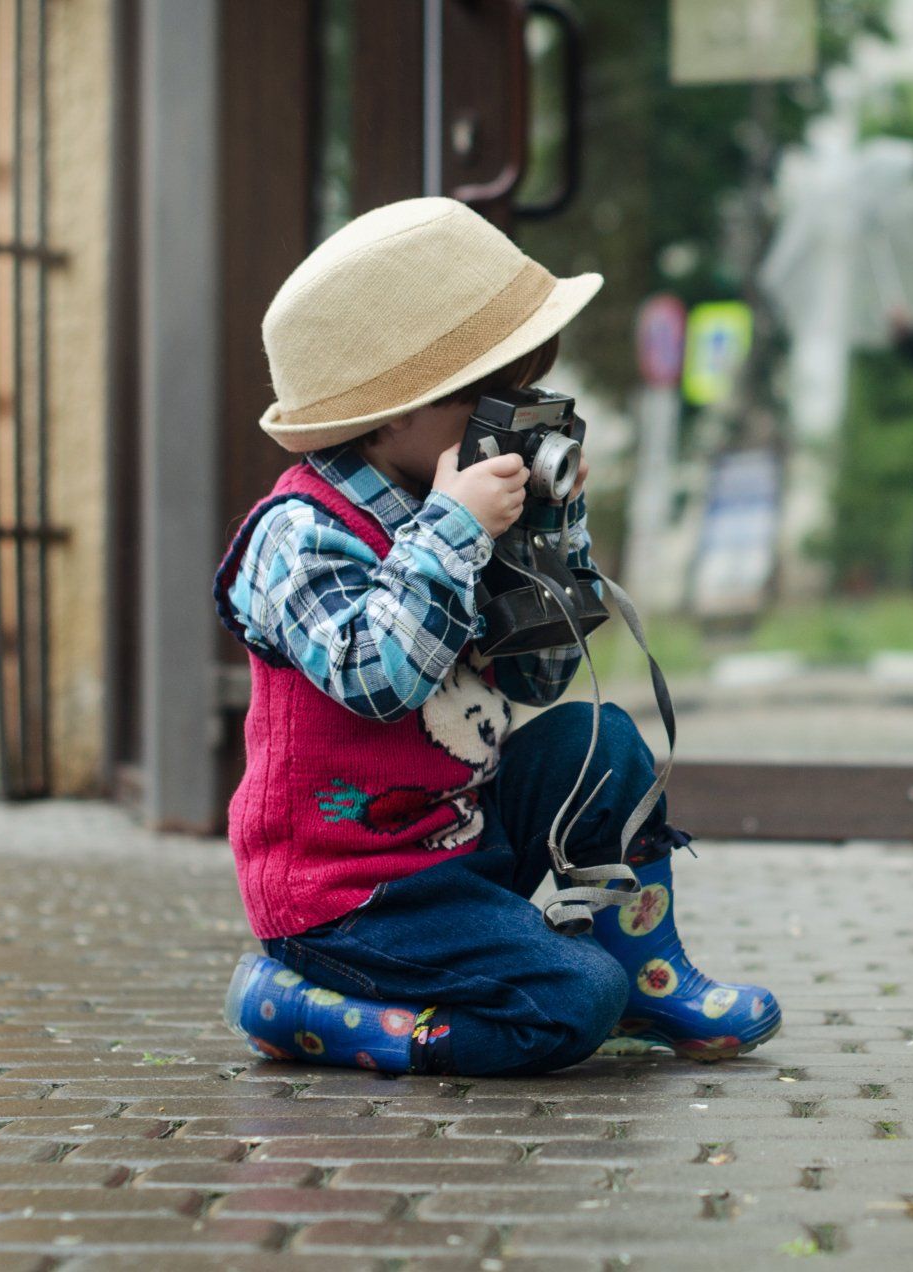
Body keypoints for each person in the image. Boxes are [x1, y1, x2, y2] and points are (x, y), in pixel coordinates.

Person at [212, 197, 780, 1076]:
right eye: (492, 398)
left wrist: (553, 530)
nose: (508, 421)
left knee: (603, 739)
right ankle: (313, 1011)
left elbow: (543, 679)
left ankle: (647, 972)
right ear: (394, 409)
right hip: (351, 896)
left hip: (458, 843)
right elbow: (378, 679)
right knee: (570, 1000)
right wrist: (453, 530)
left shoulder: (461, 508)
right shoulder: (299, 534)